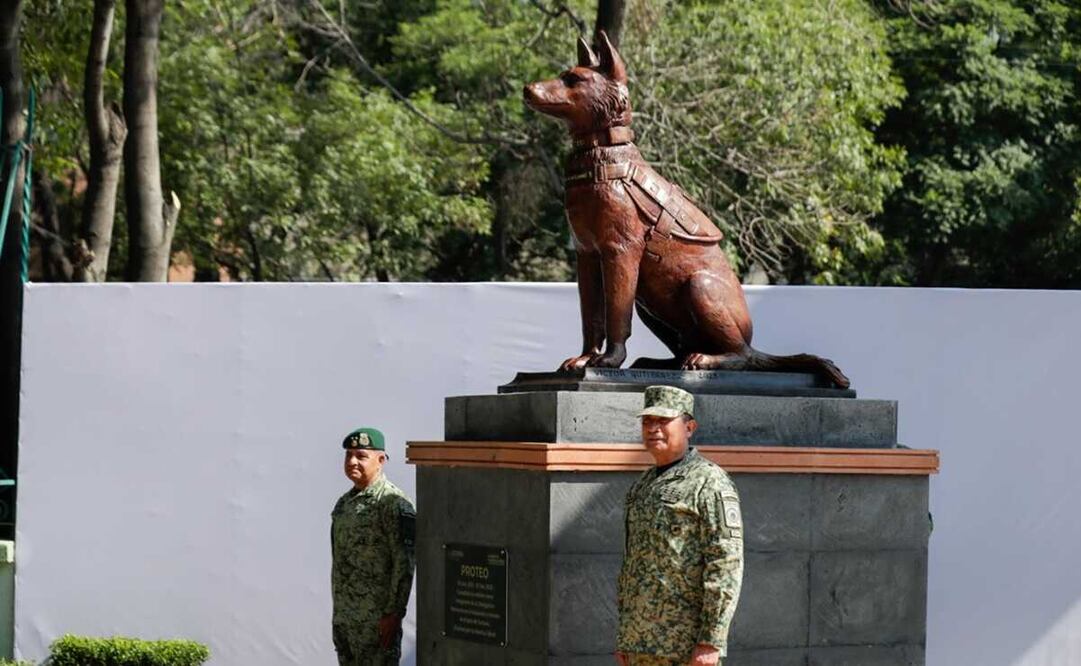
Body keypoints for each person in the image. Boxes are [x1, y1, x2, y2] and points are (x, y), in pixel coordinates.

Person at [615, 386, 744, 666]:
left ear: (689, 427)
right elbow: (632, 566)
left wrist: (711, 640)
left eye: (663, 421)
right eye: (648, 421)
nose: (654, 429)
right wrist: (626, 637)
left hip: (686, 647)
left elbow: (725, 563)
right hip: (641, 643)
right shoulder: (643, 484)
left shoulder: (709, 482)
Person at [331, 427, 416, 666]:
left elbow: (404, 562)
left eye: (361, 455)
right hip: (346, 620)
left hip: (376, 624)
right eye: (348, 455)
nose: (352, 461)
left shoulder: (392, 504)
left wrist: (394, 614)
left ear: (381, 460)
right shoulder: (345, 503)